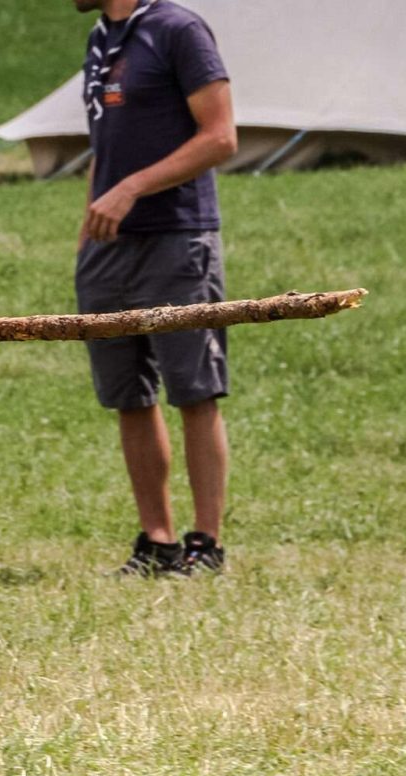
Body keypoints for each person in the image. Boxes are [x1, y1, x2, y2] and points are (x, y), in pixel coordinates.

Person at [73, 0, 239, 576]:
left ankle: (205, 544)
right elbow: (106, 151)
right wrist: (85, 240)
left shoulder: (178, 30)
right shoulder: (101, 37)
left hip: (178, 238)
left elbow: (221, 137)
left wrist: (133, 189)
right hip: (107, 250)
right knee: (128, 396)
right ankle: (158, 542)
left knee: (194, 390)